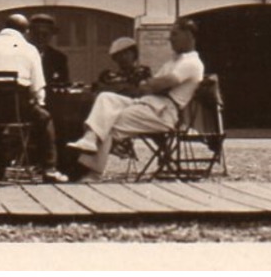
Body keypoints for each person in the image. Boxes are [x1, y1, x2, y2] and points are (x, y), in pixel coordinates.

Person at [67, 18, 206, 177]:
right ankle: (90, 139)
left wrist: (151, 85)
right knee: (106, 98)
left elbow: (158, 84)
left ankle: (93, 172)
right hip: (150, 103)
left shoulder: (192, 63)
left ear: (188, 35)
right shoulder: (174, 62)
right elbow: (150, 86)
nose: (170, 39)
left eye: (174, 34)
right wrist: (151, 85)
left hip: (164, 112)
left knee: (108, 123)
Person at [0, 13, 65, 182]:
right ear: (26, 31)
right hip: (14, 108)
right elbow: (38, 86)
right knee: (44, 118)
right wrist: (39, 102)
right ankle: (49, 168)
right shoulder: (28, 48)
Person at [27, 13, 70, 87]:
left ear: (51, 35)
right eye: (36, 34)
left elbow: (63, 84)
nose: (40, 38)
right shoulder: (21, 54)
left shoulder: (59, 58)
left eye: (44, 34)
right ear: (30, 33)